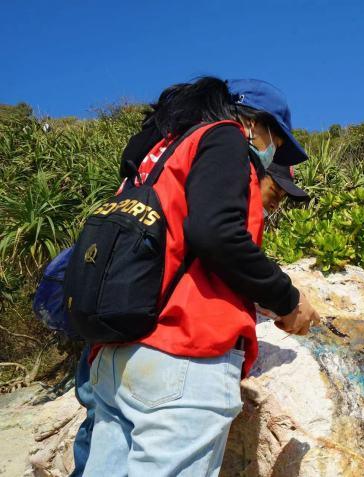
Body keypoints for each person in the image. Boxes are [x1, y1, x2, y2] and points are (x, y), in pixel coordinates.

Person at [81, 77, 320, 477]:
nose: (272, 153)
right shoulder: (226, 138)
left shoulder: (163, 153)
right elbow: (217, 233)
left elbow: (180, 249)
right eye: (275, 141)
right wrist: (288, 299)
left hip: (119, 354)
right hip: (181, 360)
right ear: (255, 124)